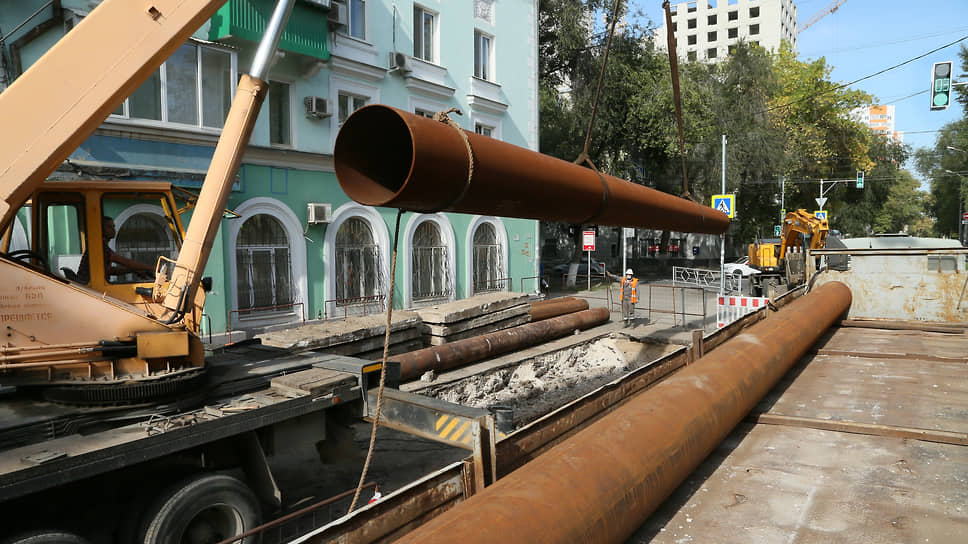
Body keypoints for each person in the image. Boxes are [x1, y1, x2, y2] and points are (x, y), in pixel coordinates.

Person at [76, 216, 155, 283]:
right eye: (109, 227)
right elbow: (127, 262)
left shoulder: (100, 246)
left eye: (113, 226)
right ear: (100, 228)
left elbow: (110, 270)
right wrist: (153, 268)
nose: (113, 230)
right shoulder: (100, 248)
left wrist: (133, 270)